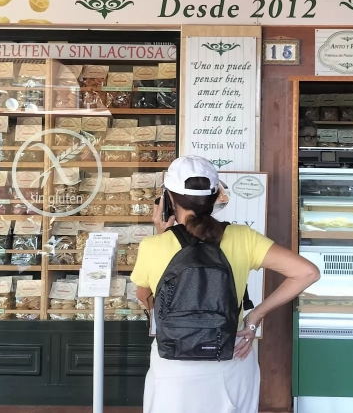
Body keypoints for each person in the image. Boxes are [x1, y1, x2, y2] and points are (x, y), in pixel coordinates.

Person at [131, 155, 320, 413]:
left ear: (168, 198)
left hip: (173, 364)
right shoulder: (243, 237)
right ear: (215, 196)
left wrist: (162, 235)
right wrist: (254, 317)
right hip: (230, 356)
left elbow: (146, 297)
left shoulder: (153, 246)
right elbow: (307, 272)